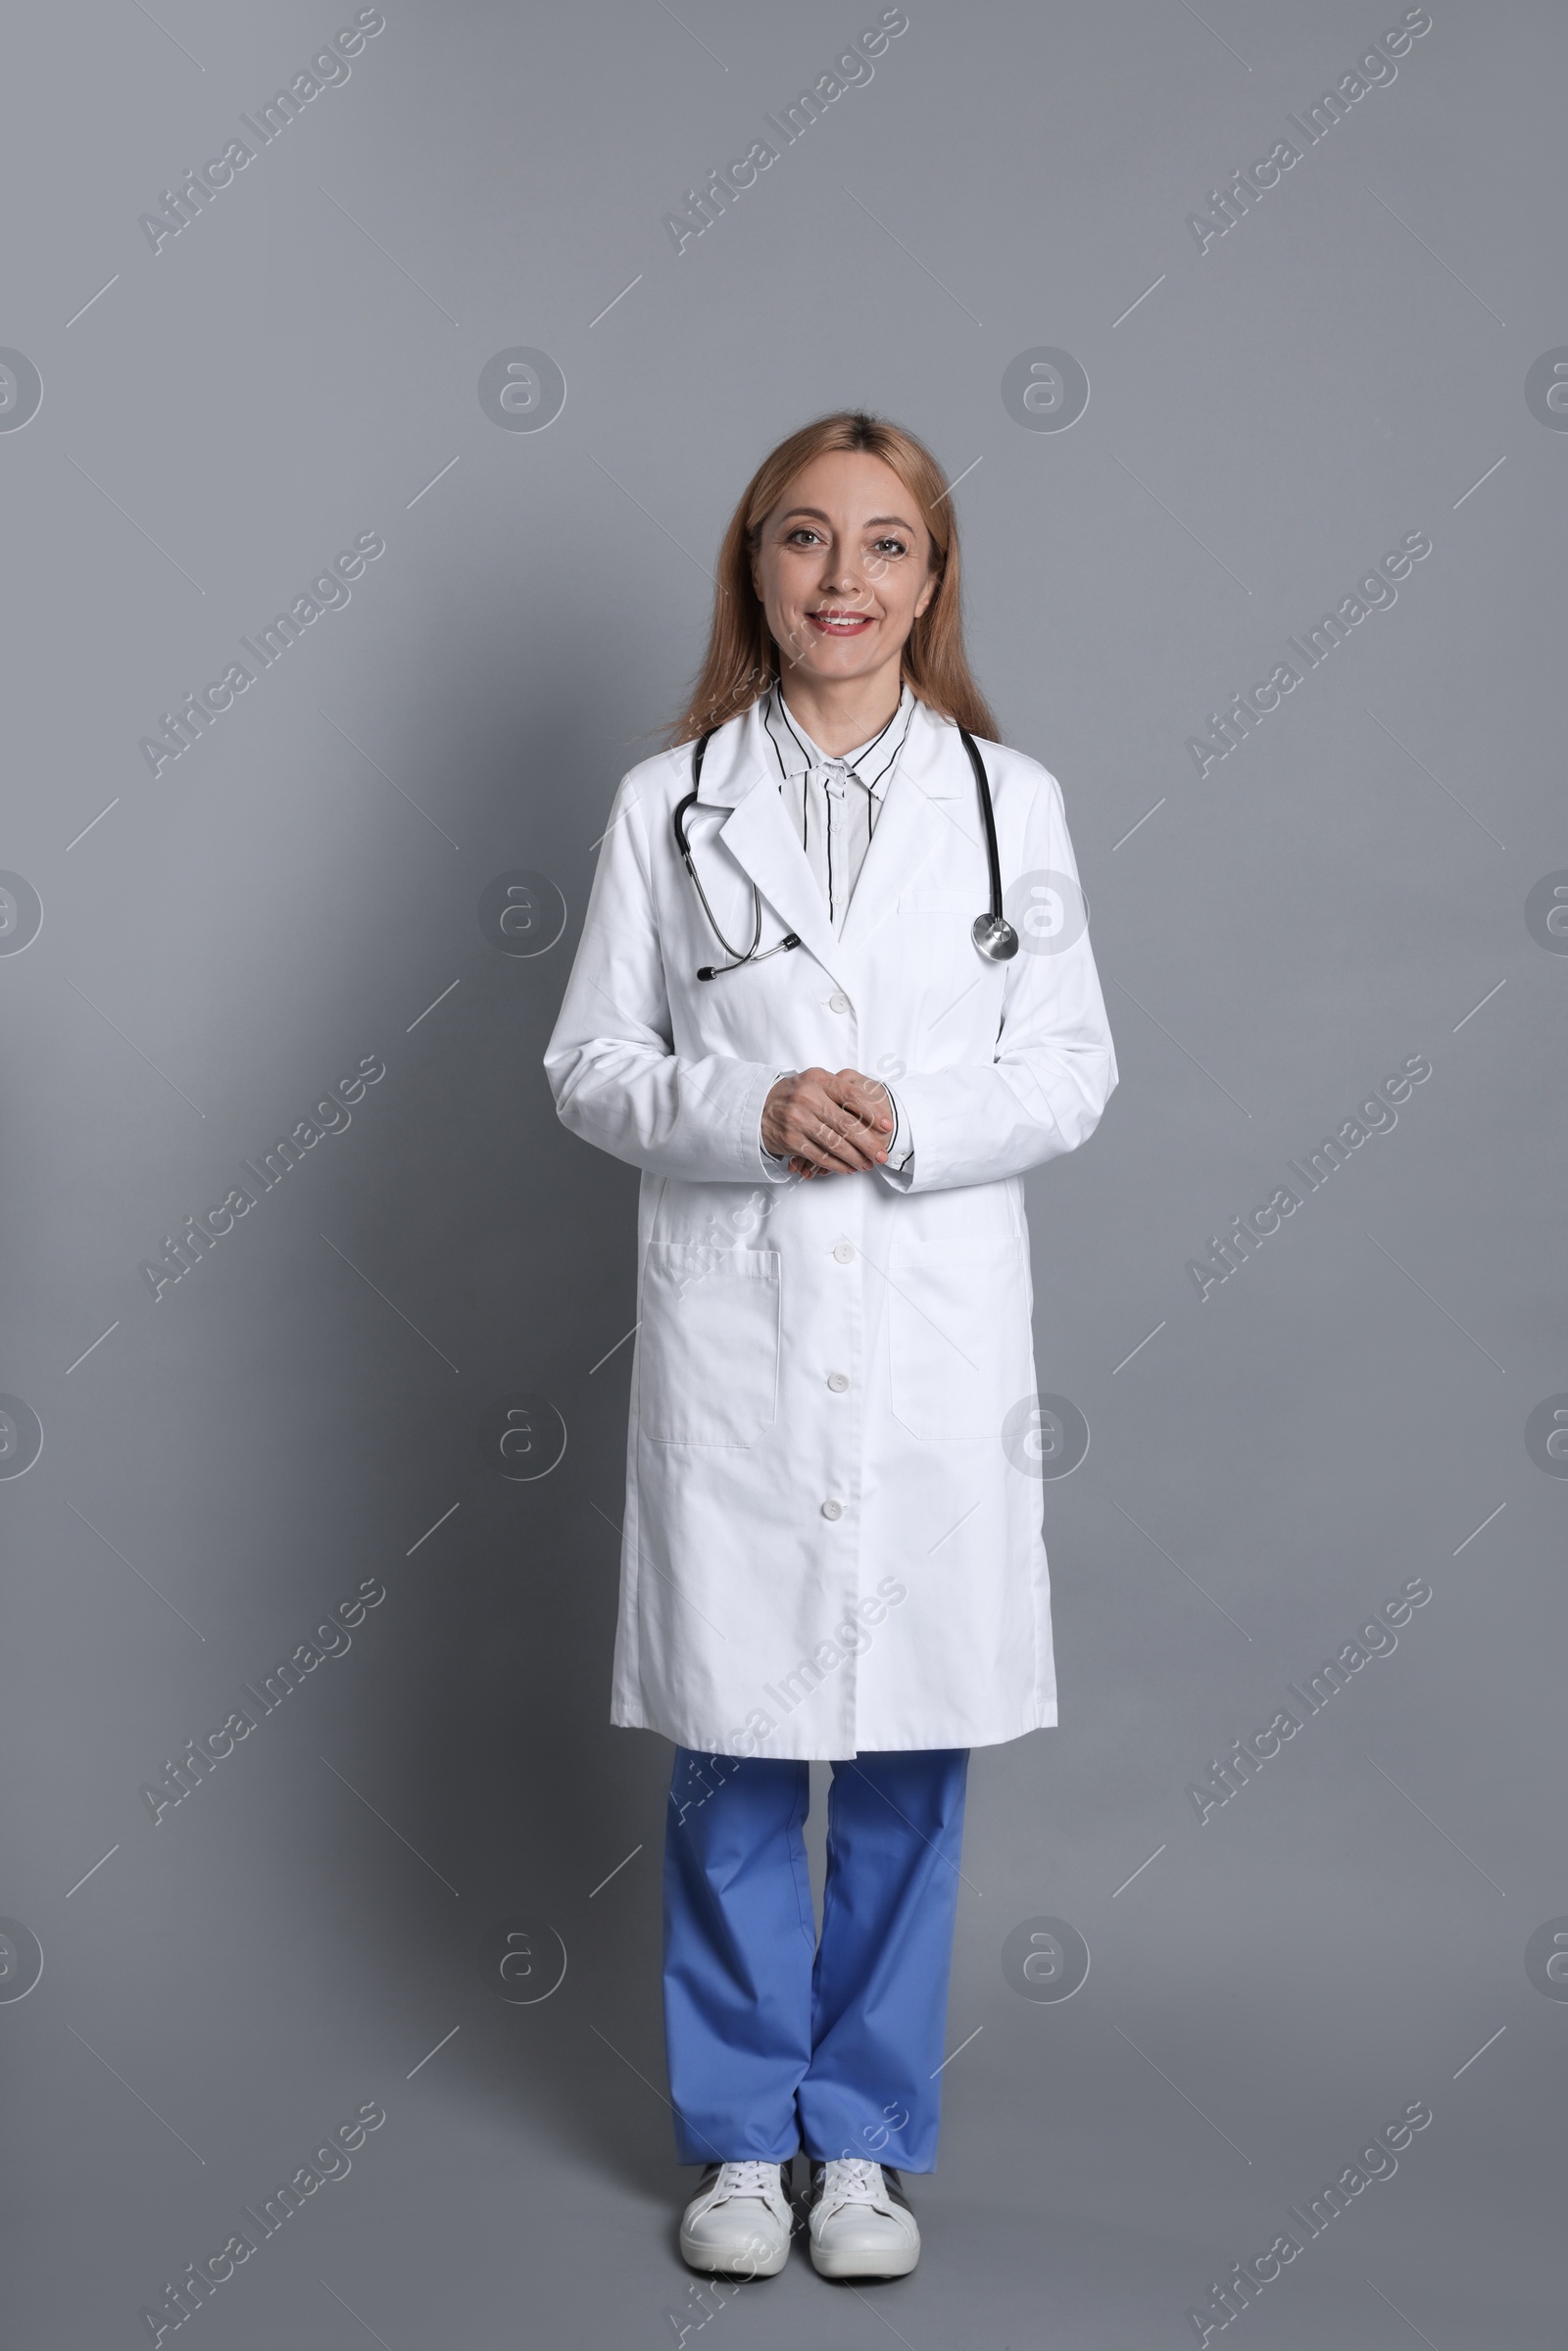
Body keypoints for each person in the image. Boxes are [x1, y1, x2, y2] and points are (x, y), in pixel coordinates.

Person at [543, 410, 1117, 2281]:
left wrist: (918, 1125)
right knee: (730, 1749)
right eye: (805, 541)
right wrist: (754, 1108)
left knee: (900, 1772)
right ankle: (735, 2143)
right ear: (755, 572)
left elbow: (1076, 1067)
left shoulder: (1005, 803)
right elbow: (589, 1067)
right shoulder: (669, 802)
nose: (843, 579)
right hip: (745, 1346)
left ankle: (860, 2147)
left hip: (933, 1344)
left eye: (884, 546)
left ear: (932, 581)